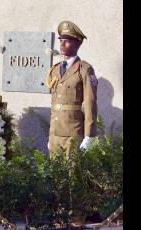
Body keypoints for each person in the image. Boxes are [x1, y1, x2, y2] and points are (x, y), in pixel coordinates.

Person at [45, 21, 98, 158]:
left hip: (73, 132)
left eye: (67, 41)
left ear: (78, 43)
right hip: (55, 134)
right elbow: (55, 103)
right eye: (61, 40)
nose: (62, 44)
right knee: (54, 176)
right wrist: (51, 134)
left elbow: (90, 103)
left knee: (72, 175)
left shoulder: (84, 70)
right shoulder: (55, 69)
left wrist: (89, 136)